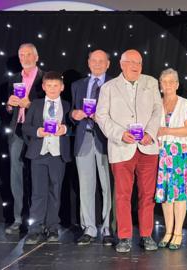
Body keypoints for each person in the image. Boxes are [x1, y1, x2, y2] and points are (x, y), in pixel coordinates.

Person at [96, 49, 162, 253]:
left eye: (139, 62)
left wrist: (150, 132)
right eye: (131, 62)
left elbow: (157, 109)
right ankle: (124, 236)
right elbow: (101, 116)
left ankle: (146, 235)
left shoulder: (150, 82)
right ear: (122, 64)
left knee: (147, 194)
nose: (136, 66)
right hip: (121, 147)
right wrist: (119, 134)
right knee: (123, 195)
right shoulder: (108, 87)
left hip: (147, 147)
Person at [22, 71, 71, 244]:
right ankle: (35, 229)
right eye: (48, 86)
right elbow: (26, 127)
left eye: (55, 86)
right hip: (39, 154)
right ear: (43, 87)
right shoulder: (35, 104)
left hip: (58, 155)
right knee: (37, 193)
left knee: (55, 192)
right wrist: (38, 131)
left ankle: (52, 228)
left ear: (62, 87)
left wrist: (63, 129)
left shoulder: (67, 105)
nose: (52, 89)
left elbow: (73, 127)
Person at [70, 50, 113, 246]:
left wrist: (102, 118)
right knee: (85, 188)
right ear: (88, 63)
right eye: (93, 61)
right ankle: (89, 228)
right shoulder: (77, 85)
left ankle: (107, 228)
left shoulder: (114, 85)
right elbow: (71, 110)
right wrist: (74, 114)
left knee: (107, 187)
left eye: (101, 61)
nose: (97, 64)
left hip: (105, 141)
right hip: (83, 139)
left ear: (108, 64)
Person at [155, 68, 187, 250]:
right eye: (165, 81)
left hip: (180, 153)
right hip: (162, 153)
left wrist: (167, 131)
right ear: (160, 85)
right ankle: (168, 232)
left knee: (179, 195)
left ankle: (178, 233)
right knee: (166, 196)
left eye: (172, 81)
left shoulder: (185, 103)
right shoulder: (156, 103)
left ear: (178, 85)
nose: (168, 85)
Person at [5, 43, 44, 234]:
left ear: (36, 57)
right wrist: (10, 106)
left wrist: (30, 105)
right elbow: (8, 110)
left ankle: (38, 221)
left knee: (37, 176)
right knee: (16, 176)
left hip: (37, 132)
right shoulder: (13, 79)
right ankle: (18, 218)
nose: (26, 58)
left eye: (29, 54)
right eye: (22, 55)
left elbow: (50, 108)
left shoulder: (45, 78)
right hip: (17, 131)